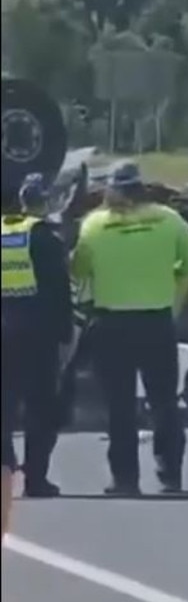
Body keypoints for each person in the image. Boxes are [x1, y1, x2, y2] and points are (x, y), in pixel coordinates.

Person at [71, 161, 188, 496]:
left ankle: (125, 480)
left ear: (112, 190)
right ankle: (170, 474)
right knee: (163, 401)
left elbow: (79, 271)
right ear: (142, 187)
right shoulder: (167, 219)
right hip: (156, 320)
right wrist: (173, 278)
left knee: (118, 405)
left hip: (112, 323)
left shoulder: (94, 225)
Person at [1, 173, 74, 499]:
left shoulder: (3, 233)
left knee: (5, 405)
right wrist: (65, 334)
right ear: (44, 202)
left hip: (4, 331)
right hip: (38, 334)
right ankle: (36, 479)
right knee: (41, 409)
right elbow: (59, 292)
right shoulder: (46, 238)